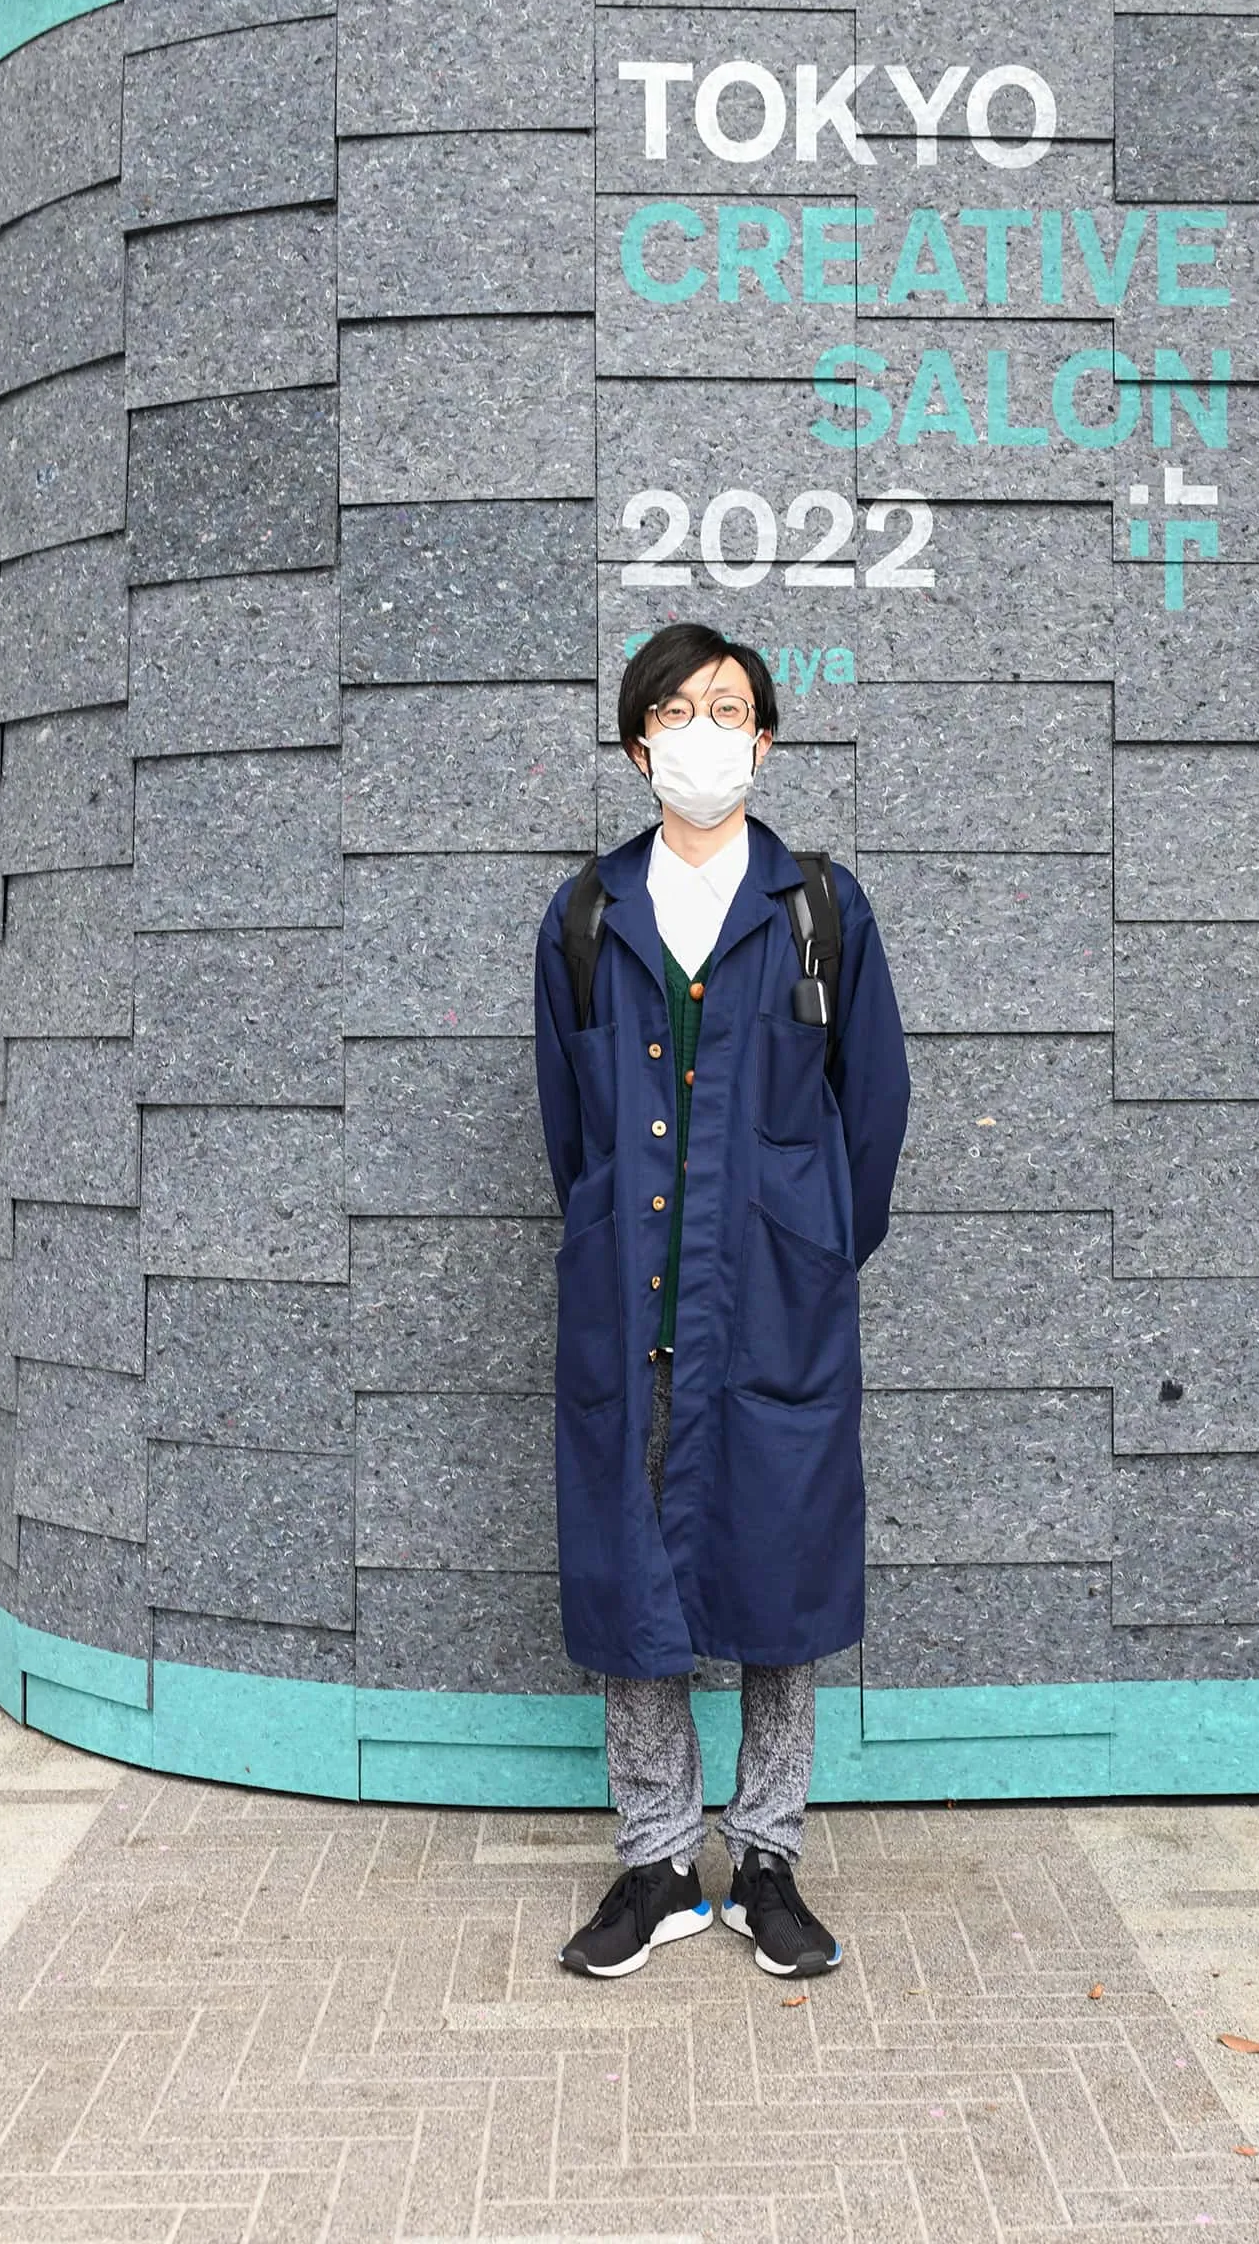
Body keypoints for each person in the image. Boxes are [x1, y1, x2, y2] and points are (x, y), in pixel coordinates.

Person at [532, 621, 910, 1980]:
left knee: (780, 1576)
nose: (705, 732)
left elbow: (873, 1111)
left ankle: (767, 1860)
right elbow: (570, 1132)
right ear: (640, 748)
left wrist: (810, 1253)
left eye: (730, 709)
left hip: (773, 1307)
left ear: (765, 740)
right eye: (677, 712)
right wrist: (616, 1243)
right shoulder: (587, 916)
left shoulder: (820, 909)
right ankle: (654, 1866)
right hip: (629, 1310)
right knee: (634, 1576)